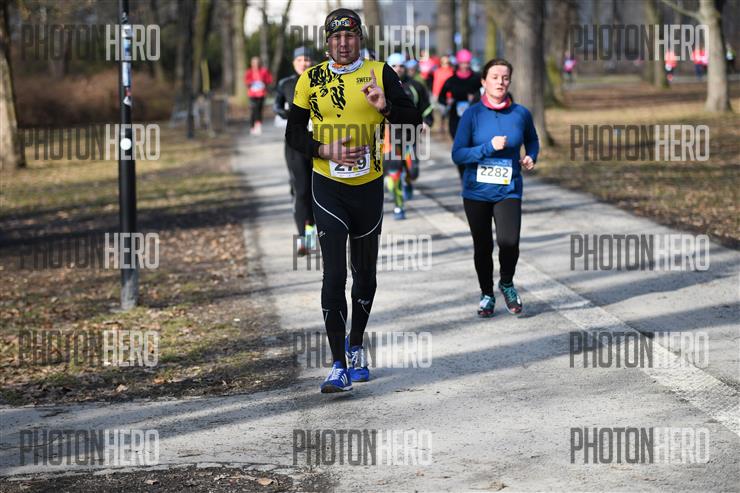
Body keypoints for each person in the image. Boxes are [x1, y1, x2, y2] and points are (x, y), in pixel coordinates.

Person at [286, 8, 421, 393]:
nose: (343, 44)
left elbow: (413, 121)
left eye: (350, 37)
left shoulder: (381, 73)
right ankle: (338, 365)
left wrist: (386, 107)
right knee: (334, 275)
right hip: (328, 187)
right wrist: (322, 149)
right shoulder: (311, 79)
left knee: (364, 275)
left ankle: (357, 344)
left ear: (360, 39)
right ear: (327, 43)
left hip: (368, 188)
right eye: (336, 38)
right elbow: (293, 134)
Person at [451, 58, 539, 318]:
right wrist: (487, 147)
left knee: (509, 241)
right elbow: (458, 154)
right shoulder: (472, 114)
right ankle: (487, 293)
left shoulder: (521, 113)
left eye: (505, 77)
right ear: (483, 81)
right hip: (476, 191)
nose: (500, 82)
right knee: (483, 246)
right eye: (495, 77)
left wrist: (531, 156)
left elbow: (532, 140)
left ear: (509, 81)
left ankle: (507, 282)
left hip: (508, 189)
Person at [274, 47, 317, 255]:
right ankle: (303, 239)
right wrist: (286, 113)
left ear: (312, 62)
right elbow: (277, 106)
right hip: (295, 145)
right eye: (299, 59)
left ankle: (313, 232)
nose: (303, 63)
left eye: (307, 59)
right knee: (301, 190)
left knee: (318, 191)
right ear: (293, 63)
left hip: (319, 143)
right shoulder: (286, 84)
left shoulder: (321, 80)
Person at [384, 53, 434, 219]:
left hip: (410, 135)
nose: (398, 69)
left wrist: (426, 121)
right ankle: (398, 207)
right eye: (394, 66)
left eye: (401, 66)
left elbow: (426, 107)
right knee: (394, 171)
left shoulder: (415, 86)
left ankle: (408, 181)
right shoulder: (381, 86)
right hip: (389, 138)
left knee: (413, 171)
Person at [440, 49, 482, 177]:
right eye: (462, 63)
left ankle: (473, 172)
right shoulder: (452, 80)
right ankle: (463, 175)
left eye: (467, 63)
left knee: (472, 145)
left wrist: (475, 98)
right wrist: (448, 101)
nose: (465, 66)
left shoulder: (477, 79)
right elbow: (441, 97)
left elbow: (486, 94)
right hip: (456, 119)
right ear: (458, 63)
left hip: (474, 118)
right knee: (460, 146)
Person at [245, 56, 273, 135]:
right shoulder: (249, 72)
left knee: (259, 110)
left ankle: (258, 125)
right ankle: (252, 126)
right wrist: (250, 83)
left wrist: (264, 83)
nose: (255, 64)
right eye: (254, 63)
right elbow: (246, 81)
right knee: (254, 110)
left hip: (261, 94)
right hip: (252, 94)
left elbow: (269, 79)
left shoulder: (263, 71)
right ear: (251, 63)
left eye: (257, 63)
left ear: (259, 63)